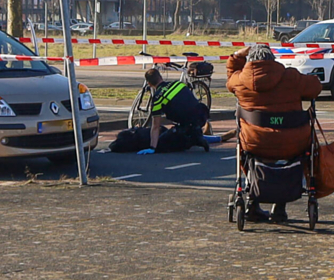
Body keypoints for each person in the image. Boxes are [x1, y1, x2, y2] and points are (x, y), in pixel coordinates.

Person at [227, 44, 323, 223]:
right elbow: (316, 87)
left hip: (255, 141)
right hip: (293, 141)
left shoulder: (239, 81)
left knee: (247, 153)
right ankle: (280, 207)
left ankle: (253, 203)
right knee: (298, 154)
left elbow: (229, 77)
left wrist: (237, 56)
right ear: (273, 59)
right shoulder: (291, 77)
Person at [136, 69, 211, 155]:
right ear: (161, 77)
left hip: (188, 123)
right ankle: (196, 134)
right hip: (202, 115)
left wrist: (152, 148)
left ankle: (193, 139)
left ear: (149, 84)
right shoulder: (178, 84)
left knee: (163, 143)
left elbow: (155, 126)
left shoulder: (157, 98)